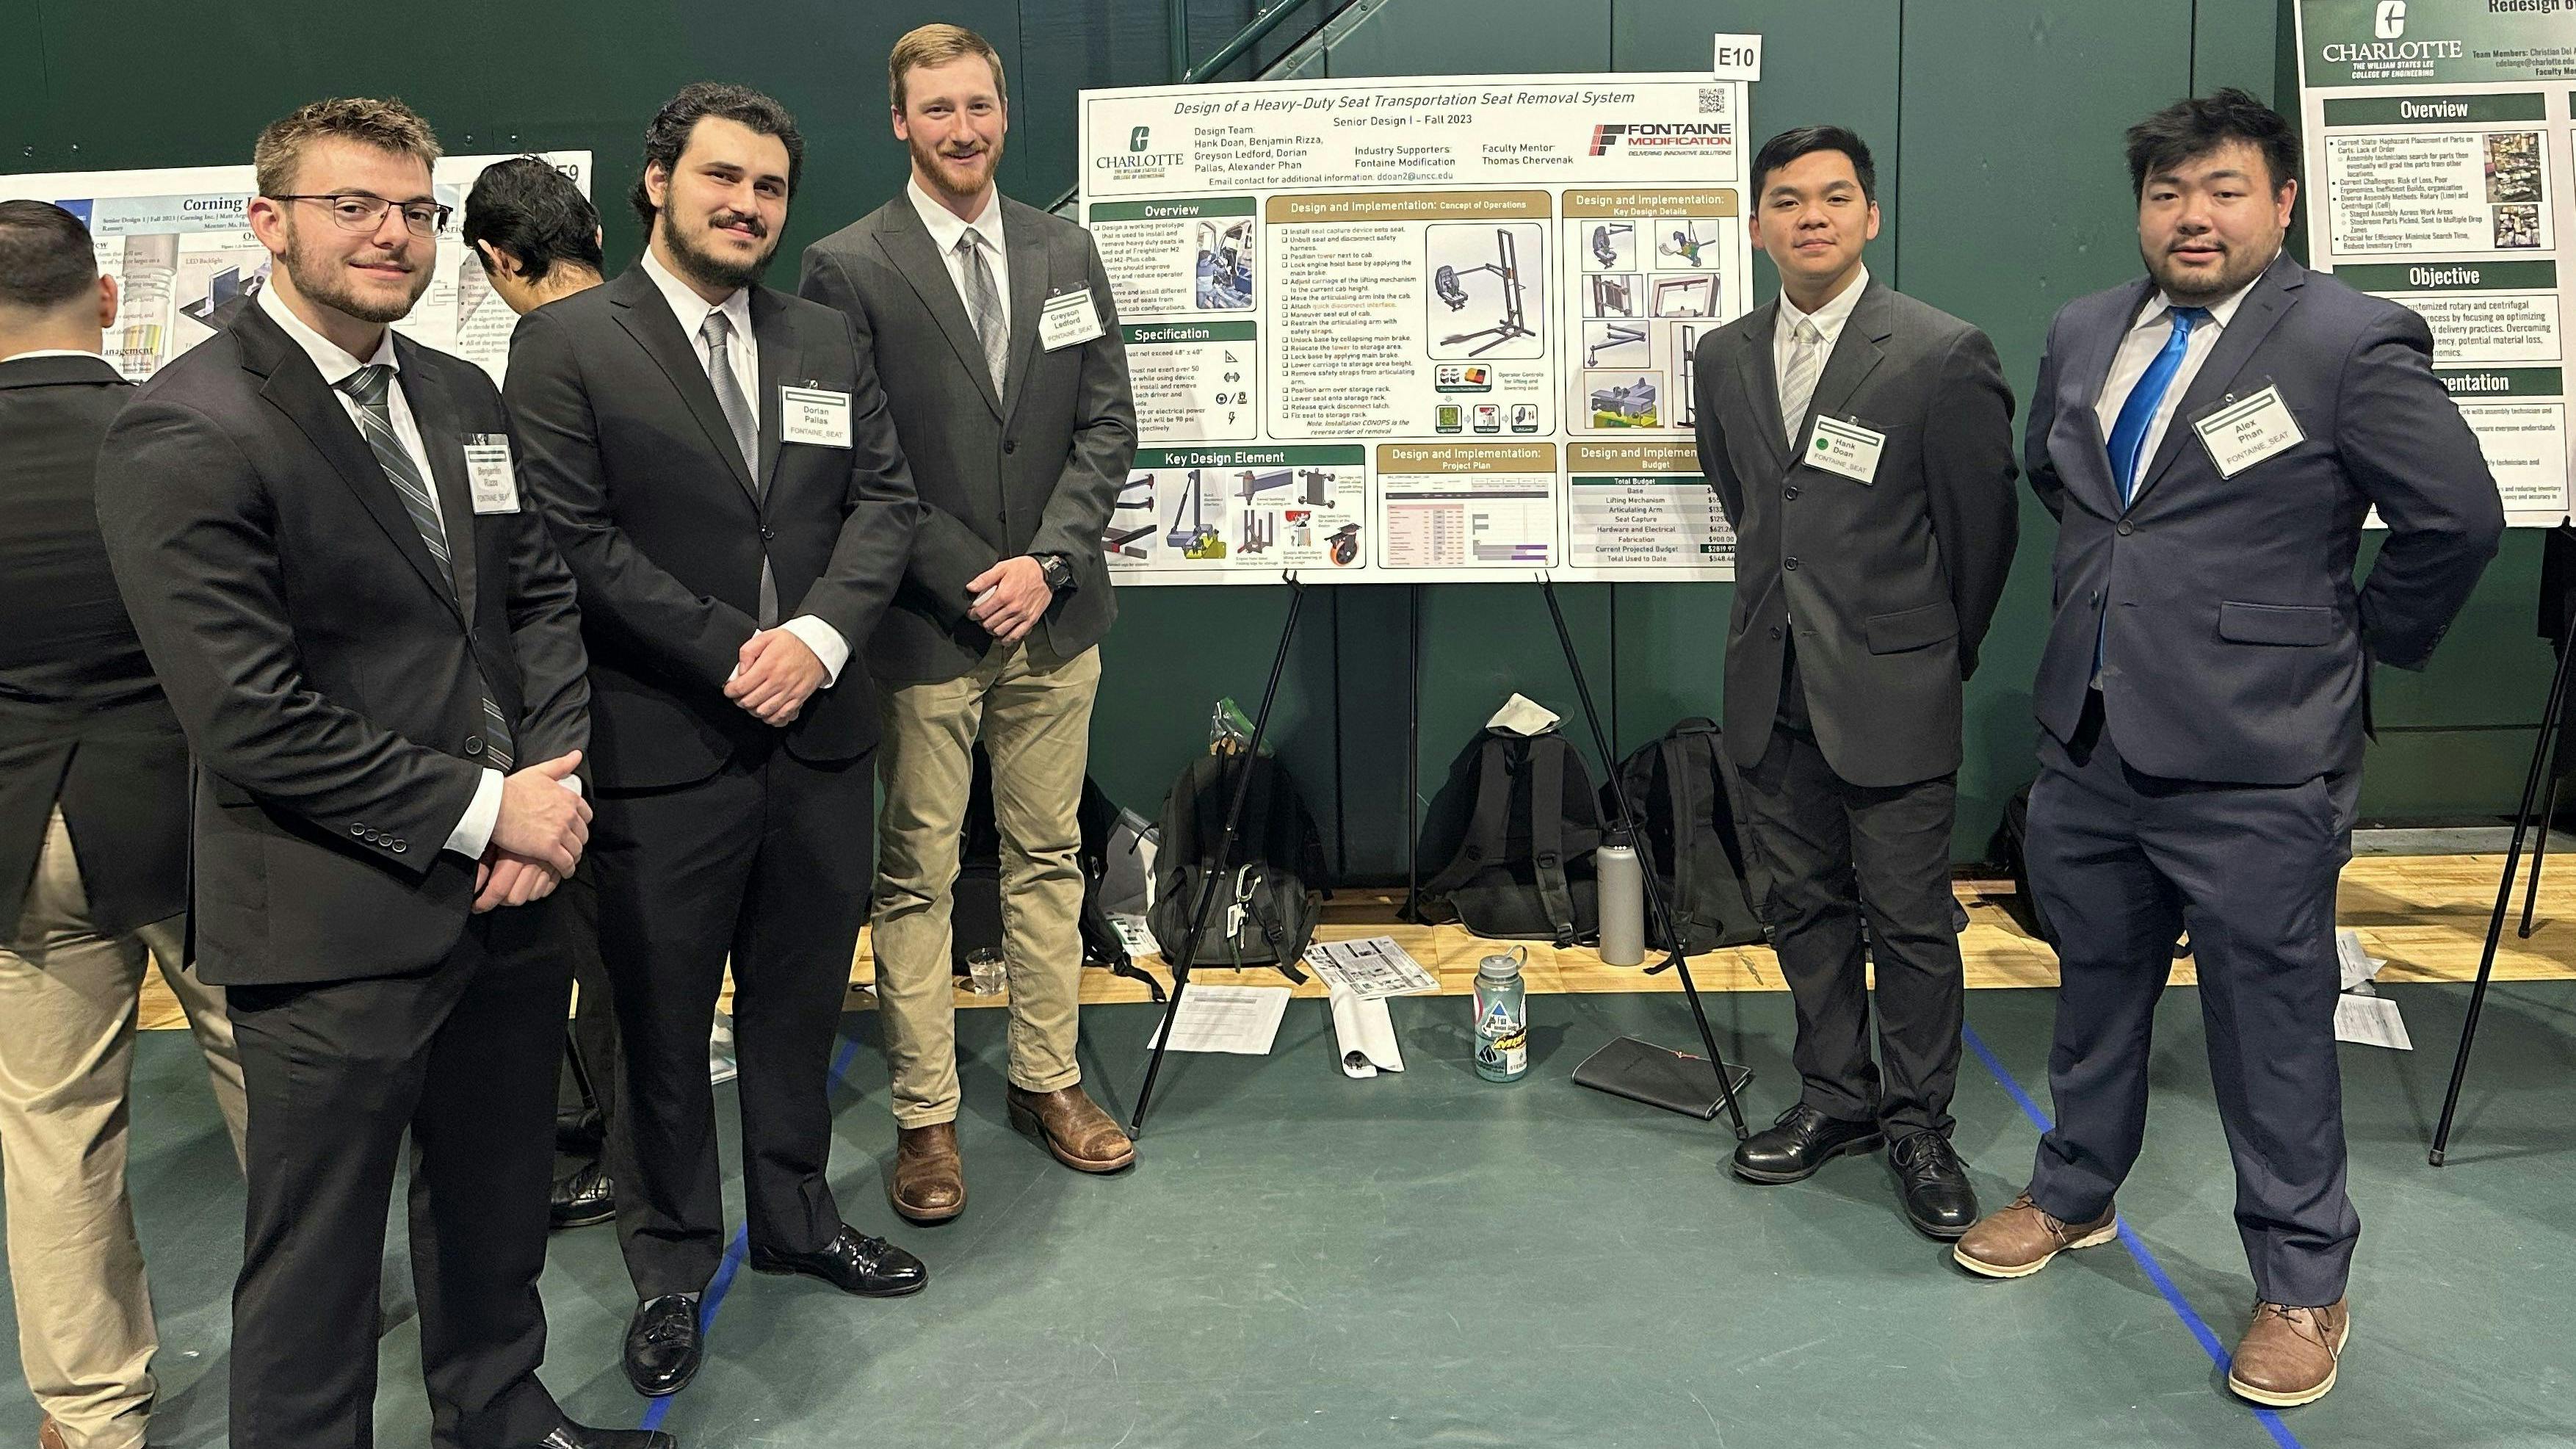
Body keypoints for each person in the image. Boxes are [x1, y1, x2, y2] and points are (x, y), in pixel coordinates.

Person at [90, 98, 661, 1449]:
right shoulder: (189, 426)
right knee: (319, 1260)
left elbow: (537, 605)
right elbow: (250, 715)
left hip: (514, 896)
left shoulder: (461, 393)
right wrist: (484, 809)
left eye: (416, 209)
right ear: (270, 221)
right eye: (355, 206)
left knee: (493, 1196)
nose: (392, 234)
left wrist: (550, 796)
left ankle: (497, 1410)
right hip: (334, 914)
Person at [1954, 90, 2503, 1409]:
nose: (2193, 216)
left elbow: (2459, 518)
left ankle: (2305, 1281)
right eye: (2168, 194)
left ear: (2282, 205)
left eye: (2225, 191)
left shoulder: (2350, 339)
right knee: (2093, 991)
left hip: (2261, 759)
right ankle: (2075, 1191)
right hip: (2091, 738)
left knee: (2272, 1030)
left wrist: (2351, 643)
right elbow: (2071, 483)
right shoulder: (2087, 328)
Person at [505, 82, 927, 1401]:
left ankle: (799, 1219)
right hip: (660, 746)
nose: (746, 206)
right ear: (656, 180)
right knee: (659, 1024)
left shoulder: (821, 333)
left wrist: (818, 641)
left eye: (769, 188)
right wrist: (728, 650)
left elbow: (887, 504)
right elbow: (573, 539)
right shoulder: (570, 341)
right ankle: (673, 1265)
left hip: (818, 740)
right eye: (722, 179)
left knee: (802, 1004)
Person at [798, 21, 1140, 1224]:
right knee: (919, 873)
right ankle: (928, 1116)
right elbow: (856, 453)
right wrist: (973, 575)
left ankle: (1050, 1082)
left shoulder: (1066, 250)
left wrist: (1047, 563)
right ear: (900, 121)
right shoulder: (847, 266)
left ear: (1005, 113)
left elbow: (1108, 426)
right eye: (936, 110)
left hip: (1057, 619)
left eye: (979, 107)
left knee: (1052, 857)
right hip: (925, 627)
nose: (962, 130)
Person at [1686, 126, 2017, 1238]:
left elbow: (1981, 537)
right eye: (1787, 200)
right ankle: (1837, 1095)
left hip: (1892, 690)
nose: (1811, 216)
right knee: (1802, 906)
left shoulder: (1938, 351)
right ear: (1758, 223)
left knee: (1911, 921)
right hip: (1768, 685)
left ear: (1870, 217)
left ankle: (1920, 1121)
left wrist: (1926, 652)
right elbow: (1752, 506)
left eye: (1834, 198)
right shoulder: (1724, 356)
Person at [0, 200, 250, 1449]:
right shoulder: (173, 430)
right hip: (191, 817)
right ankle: (320, 1309)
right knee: (266, 1071)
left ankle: (91, 1413)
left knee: (53, 1125)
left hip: (16, 837)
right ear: (104, 300)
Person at [463, 153, 620, 1233]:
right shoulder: (654, 329)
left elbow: (546, 563)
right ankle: (609, 1116)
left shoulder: (536, 360)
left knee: (604, 942)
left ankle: (618, 1137)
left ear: (497, 260)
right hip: (656, 684)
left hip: (581, 691)